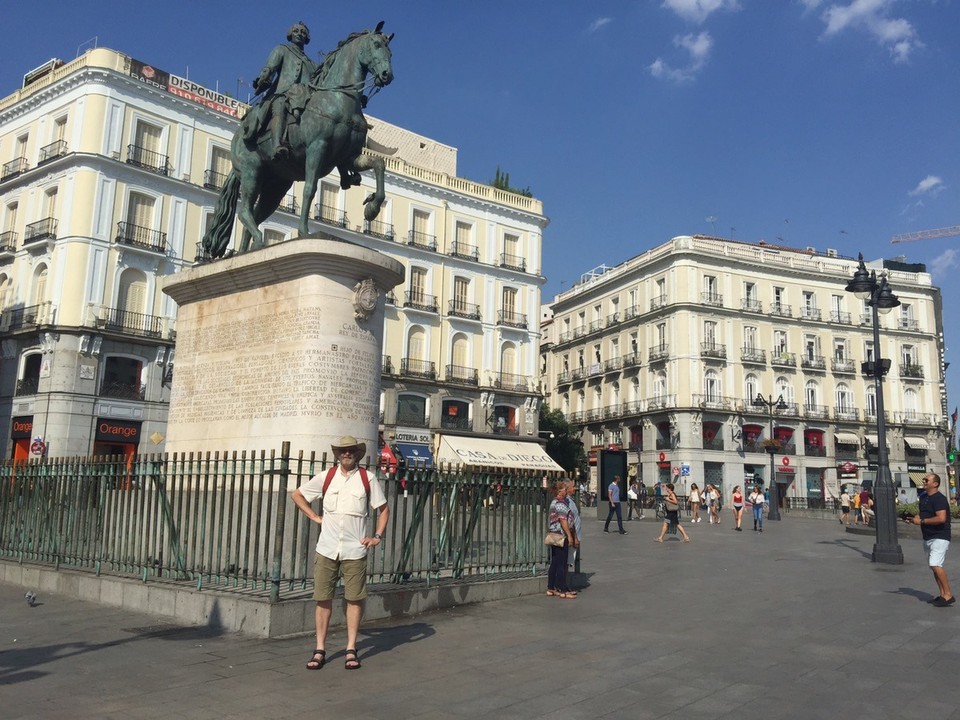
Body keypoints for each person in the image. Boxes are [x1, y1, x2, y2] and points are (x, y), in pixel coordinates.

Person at [290, 435, 389, 670]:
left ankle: (351, 648)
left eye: (351, 450)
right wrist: (315, 517)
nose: (347, 453)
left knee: (354, 598)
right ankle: (320, 648)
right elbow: (297, 495)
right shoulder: (327, 477)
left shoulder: (368, 478)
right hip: (327, 548)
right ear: (337, 454)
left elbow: (384, 509)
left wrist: (377, 536)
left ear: (357, 453)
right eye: (343, 450)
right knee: (323, 598)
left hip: (355, 549)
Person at [248, 21, 321, 159]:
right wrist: (263, 78)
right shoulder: (282, 50)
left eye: (303, 32)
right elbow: (270, 67)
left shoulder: (312, 64)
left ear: (307, 38)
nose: (299, 34)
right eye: (296, 31)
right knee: (280, 106)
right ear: (290, 34)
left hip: (305, 97)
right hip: (284, 92)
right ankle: (276, 145)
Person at [908, 473, 954, 607]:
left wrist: (921, 521)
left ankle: (949, 594)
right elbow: (923, 514)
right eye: (924, 479)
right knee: (933, 566)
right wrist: (914, 519)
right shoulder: (923, 497)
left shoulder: (939, 499)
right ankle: (942, 595)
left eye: (927, 480)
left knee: (935, 564)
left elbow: (941, 518)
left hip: (940, 535)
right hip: (928, 536)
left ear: (935, 484)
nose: (924, 481)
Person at [546, 480, 576, 599]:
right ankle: (562, 589)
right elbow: (563, 521)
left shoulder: (554, 502)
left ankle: (551, 587)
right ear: (560, 491)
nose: (565, 491)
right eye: (564, 489)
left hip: (554, 534)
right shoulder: (560, 503)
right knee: (561, 562)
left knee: (555, 561)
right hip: (561, 535)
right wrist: (569, 535)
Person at [564, 478, 582, 585]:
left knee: (568, 562)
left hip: (573, 535)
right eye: (573, 487)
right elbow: (569, 520)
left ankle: (564, 584)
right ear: (567, 488)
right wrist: (574, 537)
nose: (574, 489)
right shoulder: (567, 501)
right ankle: (563, 585)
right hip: (570, 536)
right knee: (566, 562)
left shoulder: (570, 500)